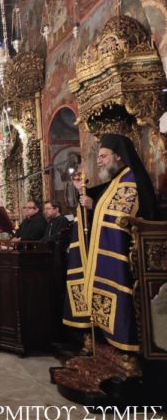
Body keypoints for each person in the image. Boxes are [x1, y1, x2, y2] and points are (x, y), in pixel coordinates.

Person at [63, 134, 157, 352]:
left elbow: (119, 216)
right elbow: (101, 202)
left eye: (103, 156)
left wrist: (93, 205)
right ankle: (102, 340)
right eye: (98, 156)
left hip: (131, 259)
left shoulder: (131, 180)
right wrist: (82, 192)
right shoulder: (116, 181)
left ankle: (125, 349)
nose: (99, 161)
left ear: (118, 156)